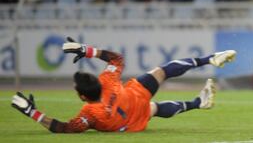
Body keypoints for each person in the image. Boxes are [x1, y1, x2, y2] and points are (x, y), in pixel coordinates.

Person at [11, 37, 236, 132]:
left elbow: (64, 128)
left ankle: (199, 102)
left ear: (81, 96)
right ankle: (209, 59)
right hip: (132, 96)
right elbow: (117, 59)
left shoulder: (90, 114)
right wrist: (86, 51)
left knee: (153, 110)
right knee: (162, 71)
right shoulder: (106, 80)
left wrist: (33, 113)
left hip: (128, 120)